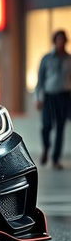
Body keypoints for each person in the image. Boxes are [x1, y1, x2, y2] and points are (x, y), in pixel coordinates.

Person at [36, 29, 71, 169]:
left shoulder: (69, 59)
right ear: (55, 41)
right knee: (46, 126)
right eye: (58, 39)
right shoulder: (46, 59)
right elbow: (40, 80)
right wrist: (38, 98)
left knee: (61, 128)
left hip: (64, 96)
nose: (60, 42)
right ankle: (46, 149)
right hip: (49, 96)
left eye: (63, 39)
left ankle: (55, 159)